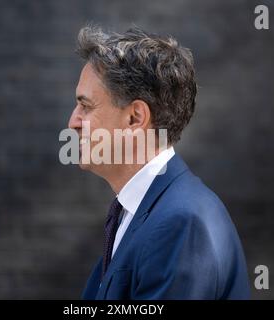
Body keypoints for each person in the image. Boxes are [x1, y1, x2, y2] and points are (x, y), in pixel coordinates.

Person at [67, 25, 250, 299]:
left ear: (135, 118)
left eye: (86, 106)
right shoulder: (141, 210)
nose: (73, 122)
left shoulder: (181, 223)